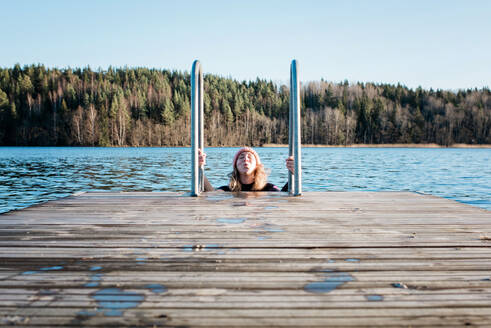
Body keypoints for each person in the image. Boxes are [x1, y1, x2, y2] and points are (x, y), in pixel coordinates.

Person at [199, 147, 294, 192]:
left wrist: (295, 173)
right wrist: (198, 167)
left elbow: (283, 196)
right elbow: (211, 196)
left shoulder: (268, 189)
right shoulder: (227, 190)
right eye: (241, 157)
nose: (245, 159)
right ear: (235, 166)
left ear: (257, 165)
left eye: (249, 157)